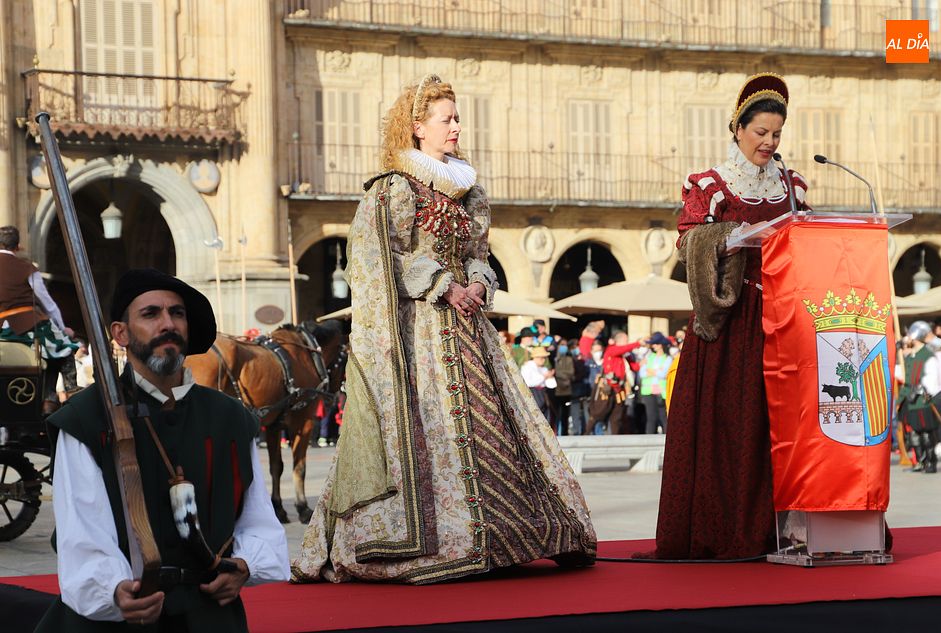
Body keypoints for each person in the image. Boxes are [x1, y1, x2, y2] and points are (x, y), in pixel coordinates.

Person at [292, 75, 596, 585]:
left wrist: (477, 281)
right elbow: (376, 257)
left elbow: (479, 252)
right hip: (421, 333)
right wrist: (441, 284)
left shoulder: (469, 189)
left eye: (457, 117)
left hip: (469, 330)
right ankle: (435, 538)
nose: (456, 126)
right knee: (433, 428)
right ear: (417, 129)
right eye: (446, 119)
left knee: (495, 420)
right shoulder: (394, 189)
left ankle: (510, 533)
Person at [34, 269, 289, 632]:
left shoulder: (230, 417)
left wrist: (243, 567)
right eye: (151, 314)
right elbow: (82, 532)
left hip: (208, 614)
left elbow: (258, 520)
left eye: (177, 313)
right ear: (120, 333)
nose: (167, 323)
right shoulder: (86, 419)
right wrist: (114, 592)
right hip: (118, 619)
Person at [655, 73, 810, 559]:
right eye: (761, 132)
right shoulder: (711, 184)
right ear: (737, 129)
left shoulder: (794, 184)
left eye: (777, 134)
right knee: (729, 422)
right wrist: (733, 238)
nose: (769, 142)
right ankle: (721, 528)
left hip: (782, 318)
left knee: (779, 425)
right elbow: (686, 242)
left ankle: (782, 527)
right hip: (731, 317)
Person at [0, 225, 78, 413]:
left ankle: (49, 400)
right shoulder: (26, 267)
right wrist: (63, 328)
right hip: (28, 324)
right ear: (17, 247)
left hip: (2, 329)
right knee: (65, 348)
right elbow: (47, 303)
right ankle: (67, 395)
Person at [898, 321, 941, 473]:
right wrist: (899, 401)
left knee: (927, 433)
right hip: (910, 401)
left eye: (909, 334)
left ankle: (931, 462)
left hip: (923, 400)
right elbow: (907, 380)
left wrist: (921, 390)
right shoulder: (910, 357)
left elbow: (933, 375)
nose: (906, 337)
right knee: (914, 434)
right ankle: (919, 463)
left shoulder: (928, 353)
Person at [588, 331, 640, 435]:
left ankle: (615, 438)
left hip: (619, 389)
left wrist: (641, 364)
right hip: (607, 389)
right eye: (625, 341)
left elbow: (633, 367)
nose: (627, 343)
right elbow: (622, 349)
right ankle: (586, 433)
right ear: (619, 341)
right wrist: (637, 344)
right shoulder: (612, 349)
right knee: (599, 413)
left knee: (617, 416)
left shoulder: (623, 355)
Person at [639, 332, 673, 434]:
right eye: (653, 344)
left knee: (664, 417)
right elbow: (642, 373)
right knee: (651, 417)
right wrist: (657, 371)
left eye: (656, 343)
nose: (653, 346)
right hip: (648, 392)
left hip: (661, 393)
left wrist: (651, 371)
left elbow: (663, 374)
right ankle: (648, 441)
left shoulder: (668, 359)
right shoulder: (649, 357)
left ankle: (668, 440)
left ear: (661, 345)